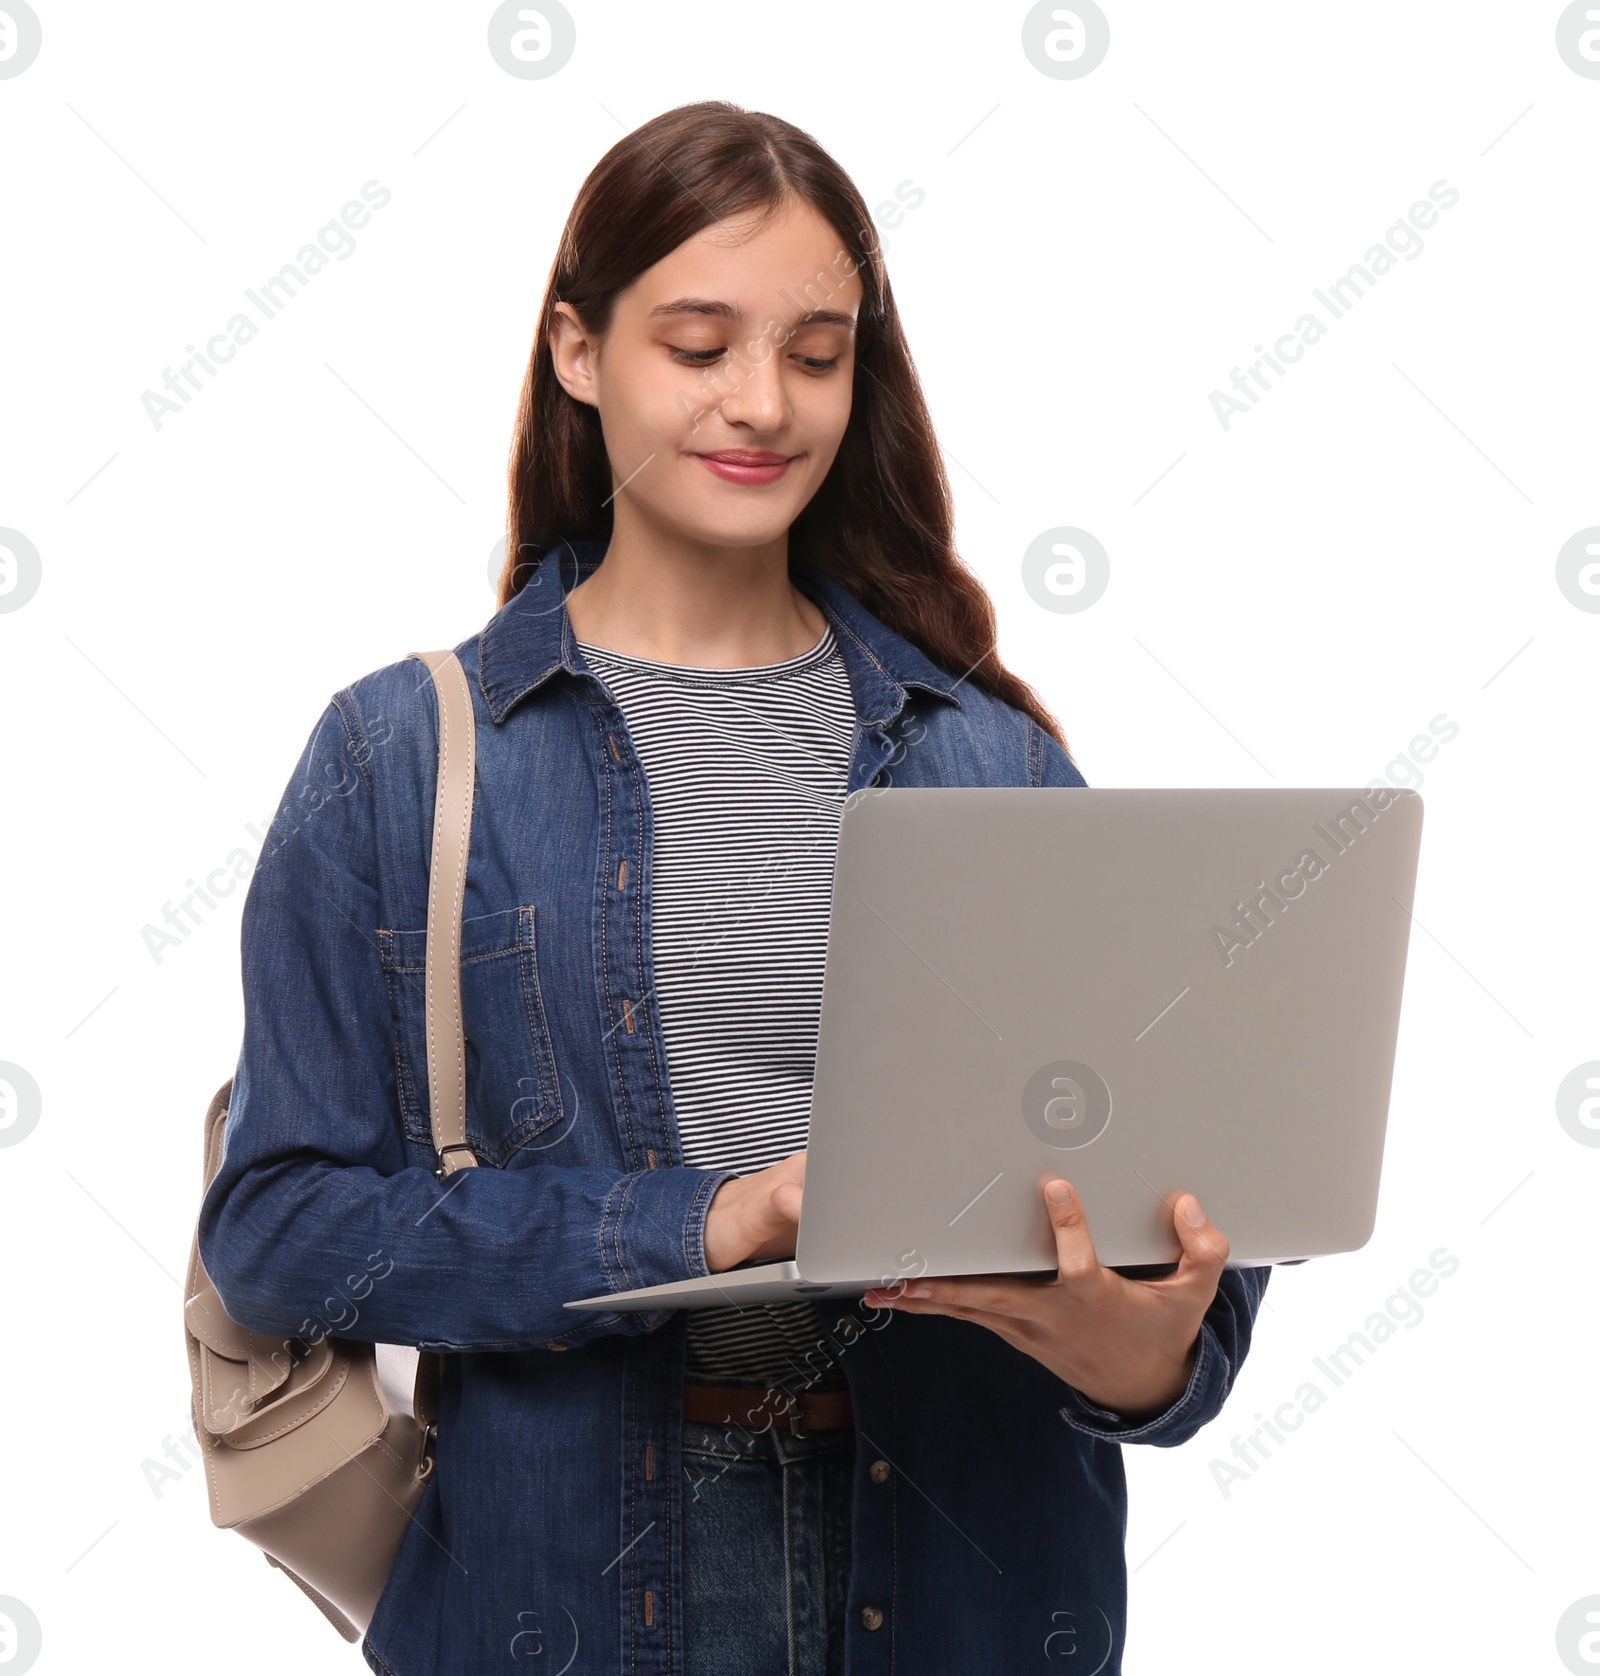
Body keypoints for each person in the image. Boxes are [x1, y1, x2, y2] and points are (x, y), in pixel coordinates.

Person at [199, 100, 1269, 1676]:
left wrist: (1149, 1349)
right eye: (698, 345)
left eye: (816, 352)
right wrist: (709, 1220)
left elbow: (1159, 1231)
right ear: (579, 350)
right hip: (568, 1581)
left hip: (973, 1574)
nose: (762, 403)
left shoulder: (994, 759)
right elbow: (281, 1230)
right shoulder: (401, 759)